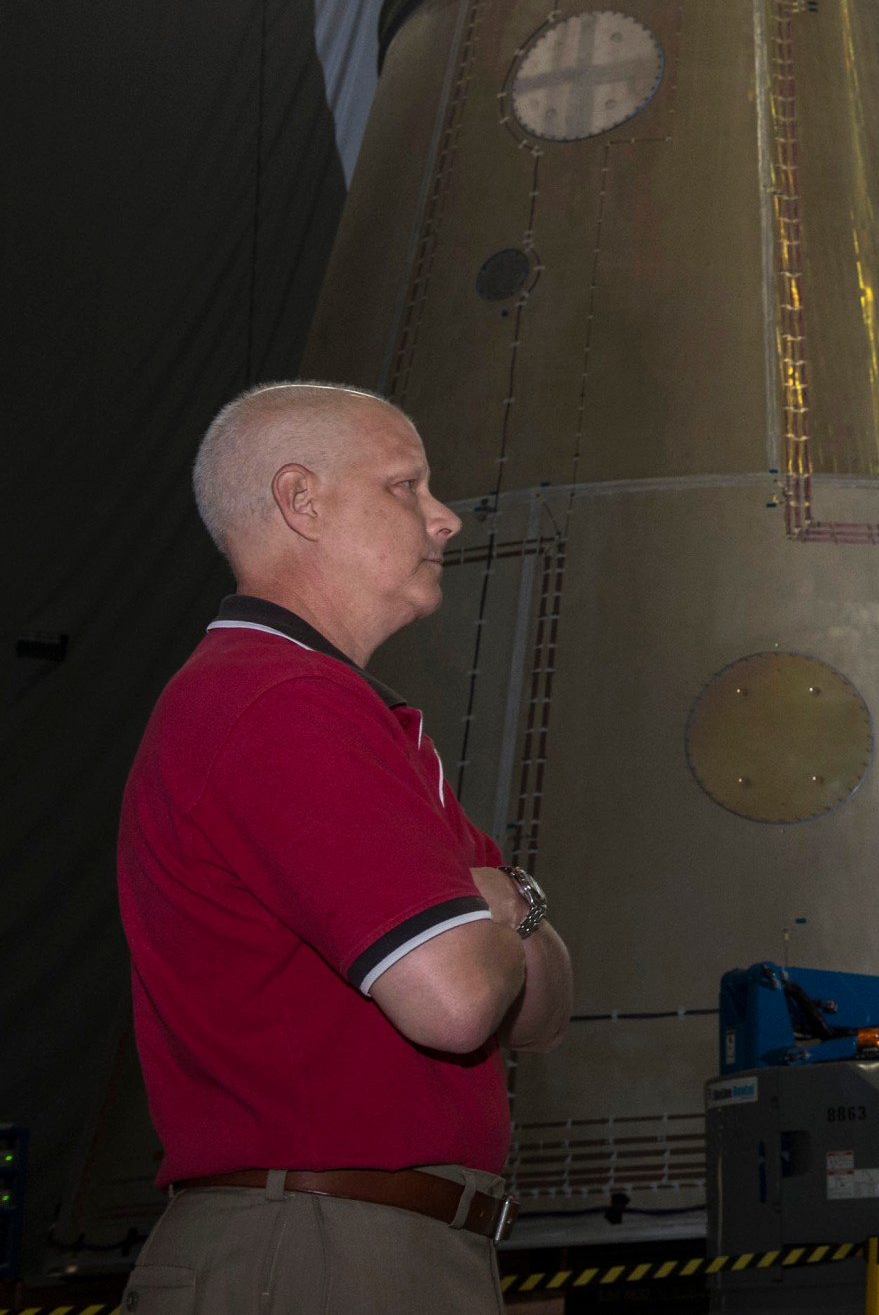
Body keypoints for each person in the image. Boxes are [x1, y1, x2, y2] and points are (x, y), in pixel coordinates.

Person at [117, 381, 572, 1314]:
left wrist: (501, 905)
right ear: (301, 501)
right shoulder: (277, 704)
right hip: (317, 1255)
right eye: (405, 484)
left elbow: (542, 1012)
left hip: (362, 1245)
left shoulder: (358, 722)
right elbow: (456, 1002)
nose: (443, 518)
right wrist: (504, 906)